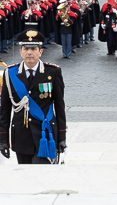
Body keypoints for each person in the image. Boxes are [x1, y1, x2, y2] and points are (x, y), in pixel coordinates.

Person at [0, 30, 67, 164]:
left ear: (40, 52)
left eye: (33, 49)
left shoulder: (53, 72)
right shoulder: (10, 73)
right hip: (21, 135)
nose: (29, 52)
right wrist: (3, 140)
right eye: (26, 49)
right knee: (25, 174)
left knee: (44, 172)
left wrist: (62, 137)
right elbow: (4, 111)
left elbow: (60, 107)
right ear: (21, 52)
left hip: (46, 134)